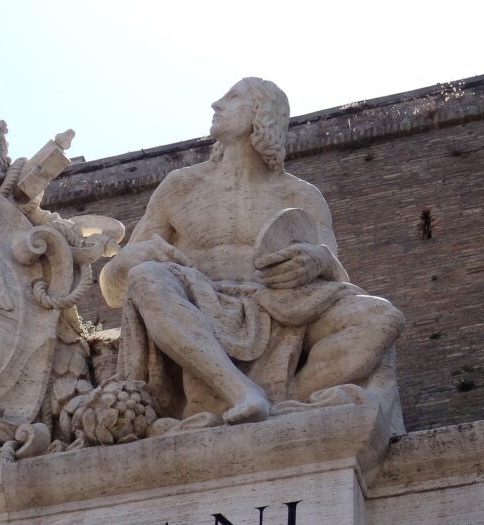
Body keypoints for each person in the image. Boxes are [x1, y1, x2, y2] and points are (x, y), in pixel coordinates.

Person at [100, 78, 404, 425]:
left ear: (262, 114)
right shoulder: (181, 187)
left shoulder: (300, 195)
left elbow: (336, 272)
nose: (216, 104)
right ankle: (239, 392)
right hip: (200, 303)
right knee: (145, 278)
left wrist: (317, 259)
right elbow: (112, 289)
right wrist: (128, 259)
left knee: (383, 318)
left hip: (280, 308)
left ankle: (283, 400)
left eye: (232, 98)